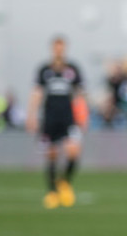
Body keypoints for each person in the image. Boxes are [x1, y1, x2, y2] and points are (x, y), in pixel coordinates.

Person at [26, 36, 85, 209]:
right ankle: (52, 191)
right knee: (51, 154)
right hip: (50, 117)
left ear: (65, 49)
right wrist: (31, 116)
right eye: (56, 47)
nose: (59, 50)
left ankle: (64, 183)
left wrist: (83, 116)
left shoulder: (72, 69)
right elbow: (37, 93)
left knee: (73, 151)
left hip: (68, 117)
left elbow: (79, 95)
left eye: (61, 47)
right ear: (52, 49)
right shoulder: (44, 70)